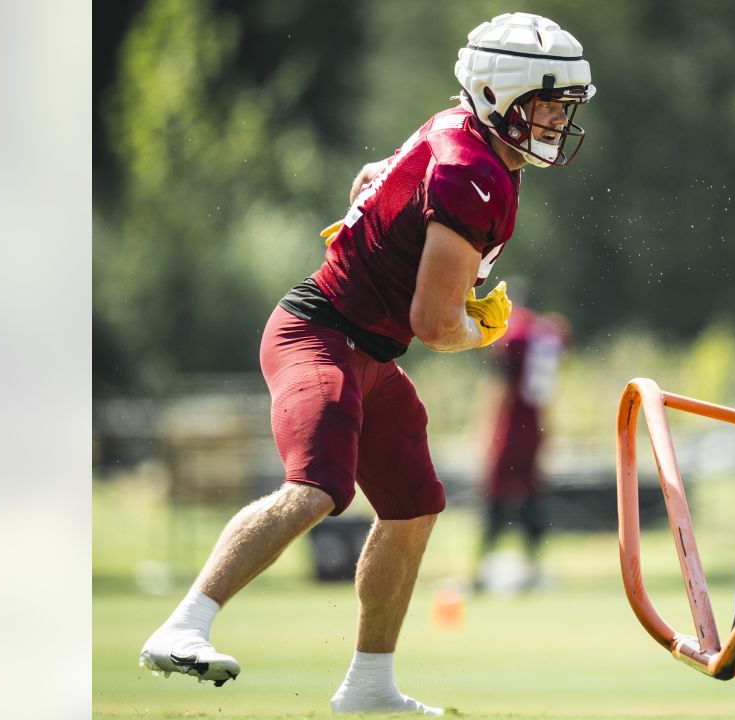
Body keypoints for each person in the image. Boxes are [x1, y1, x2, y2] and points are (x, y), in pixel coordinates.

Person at [138, 12, 595, 715]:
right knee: (319, 488)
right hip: (320, 335)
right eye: (548, 104)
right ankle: (183, 626)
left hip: (369, 354)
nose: (557, 121)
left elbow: (371, 176)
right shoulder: (473, 170)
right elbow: (430, 323)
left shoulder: (464, 137)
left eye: (564, 107)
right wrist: (480, 329)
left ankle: (370, 684)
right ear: (501, 94)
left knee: (415, 507)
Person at [472, 298, 569, 593]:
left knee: (493, 493)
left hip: (511, 424)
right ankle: (534, 567)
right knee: (532, 493)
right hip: (536, 424)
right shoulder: (547, 332)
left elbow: (503, 385)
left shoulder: (514, 333)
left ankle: (479, 570)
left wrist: (486, 429)